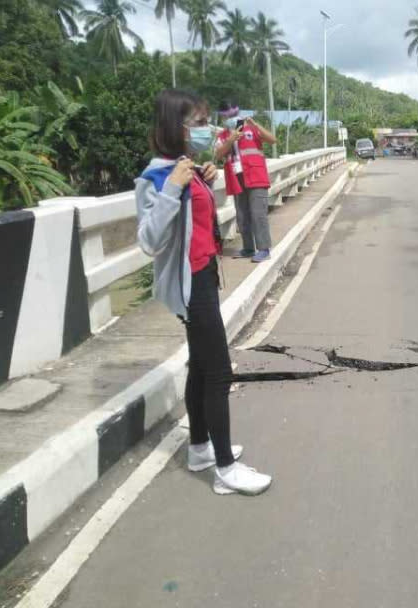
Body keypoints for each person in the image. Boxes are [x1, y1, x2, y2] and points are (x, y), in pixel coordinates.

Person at [135, 89, 272, 496]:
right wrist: (174, 188)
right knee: (218, 370)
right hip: (190, 283)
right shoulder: (156, 176)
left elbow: (196, 224)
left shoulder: (185, 166)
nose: (204, 130)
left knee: (200, 366)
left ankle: (199, 448)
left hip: (205, 273)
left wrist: (202, 180)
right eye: (196, 123)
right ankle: (226, 470)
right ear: (173, 126)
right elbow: (149, 240)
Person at [215, 102, 277, 263]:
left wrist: (256, 125)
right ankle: (248, 248)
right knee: (242, 216)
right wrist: (230, 140)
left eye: (232, 115)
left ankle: (264, 249)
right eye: (226, 116)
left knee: (258, 215)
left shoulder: (251, 129)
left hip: (256, 176)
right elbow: (218, 155)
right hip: (236, 179)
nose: (229, 118)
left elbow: (272, 140)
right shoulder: (222, 136)